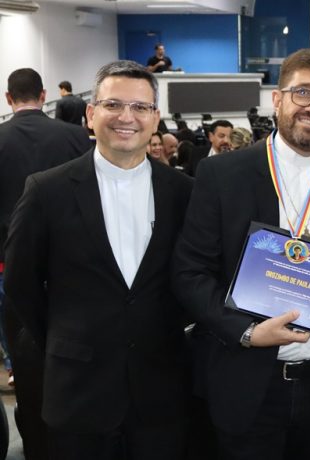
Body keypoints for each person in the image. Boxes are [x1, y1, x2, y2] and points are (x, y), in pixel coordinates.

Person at [172, 48, 310, 460]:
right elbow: (190, 273)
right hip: (248, 378)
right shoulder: (223, 174)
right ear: (277, 99)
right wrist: (247, 331)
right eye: (303, 92)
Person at [4, 60, 193, 459]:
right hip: (79, 391)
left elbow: (194, 274)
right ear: (91, 115)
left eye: (140, 107)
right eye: (113, 105)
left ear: (155, 117)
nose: (127, 117)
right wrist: (66, 336)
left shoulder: (185, 192)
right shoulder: (46, 191)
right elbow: (21, 284)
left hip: (161, 389)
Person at [1, 68, 92, 460]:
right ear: (43, 95)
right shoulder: (75, 136)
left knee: (26, 355)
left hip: (9, 264)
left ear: (9, 98)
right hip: (73, 266)